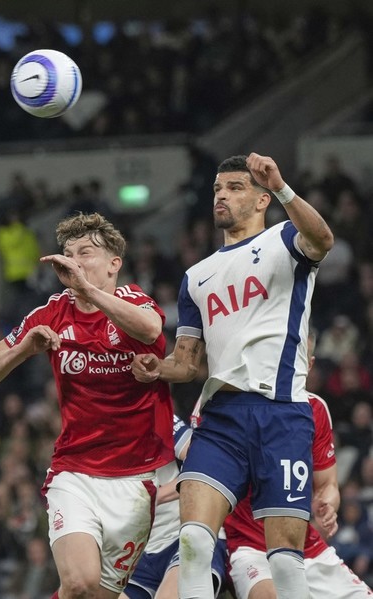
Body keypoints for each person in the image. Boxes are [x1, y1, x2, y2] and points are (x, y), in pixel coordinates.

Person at [131, 153, 335, 599]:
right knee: (193, 539)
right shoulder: (195, 277)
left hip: (281, 413)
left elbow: (323, 238)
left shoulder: (285, 239)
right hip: (221, 417)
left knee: (284, 558)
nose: (221, 196)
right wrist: (157, 369)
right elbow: (186, 363)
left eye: (235, 188)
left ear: (263, 199)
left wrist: (283, 187)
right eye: (217, 189)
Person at [0, 212, 174, 599]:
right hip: (75, 472)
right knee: (79, 584)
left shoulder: (134, 301)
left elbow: (150, 330)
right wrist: (25, 348)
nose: (74, 261)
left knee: (98, 595)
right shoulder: (51, 311)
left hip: (134, 481)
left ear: (115, 263)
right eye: (68, 253)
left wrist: (88, 290)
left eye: (86, 252)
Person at [225, 333, 371, 599]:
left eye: (296, 358)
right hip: (251, 548)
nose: (286, 363)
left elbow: (327, 485)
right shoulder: (233, 404)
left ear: (310, 365)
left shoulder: (316, 409)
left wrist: (327, 506)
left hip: (307, 547)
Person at [121, 415, 229, 599]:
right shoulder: (88, 433)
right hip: (137, 553)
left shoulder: (152, 414)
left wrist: (156, 496)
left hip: (183, 536)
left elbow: (205, 464)